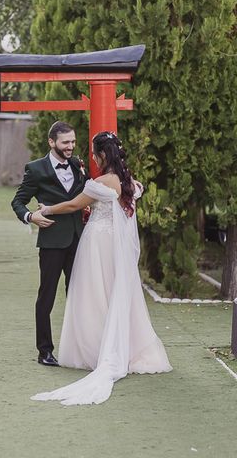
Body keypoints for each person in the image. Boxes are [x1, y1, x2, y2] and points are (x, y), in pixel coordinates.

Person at [31, 131, 172, 406]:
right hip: (116, 248)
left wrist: (46, 210)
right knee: (116, 294)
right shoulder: (130, 182)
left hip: (97, 244)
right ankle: (128, 349)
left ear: (102, 155)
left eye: (95, 153)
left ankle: (97, 351)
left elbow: (74, 205)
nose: (93, 158)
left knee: (94, 295)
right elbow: (132, 195)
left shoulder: (99, 183)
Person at [11, 121, 88, 367]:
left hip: (79, 240)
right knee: (47, 297)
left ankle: (81, 348)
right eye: (66, 142)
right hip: (52, 242)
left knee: (79, 295)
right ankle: (44, 351)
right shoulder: (36, 169)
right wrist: (30, 216)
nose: (71, 146)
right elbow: (18, 201)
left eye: (73, 142)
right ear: (51, 142)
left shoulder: (78, 164)